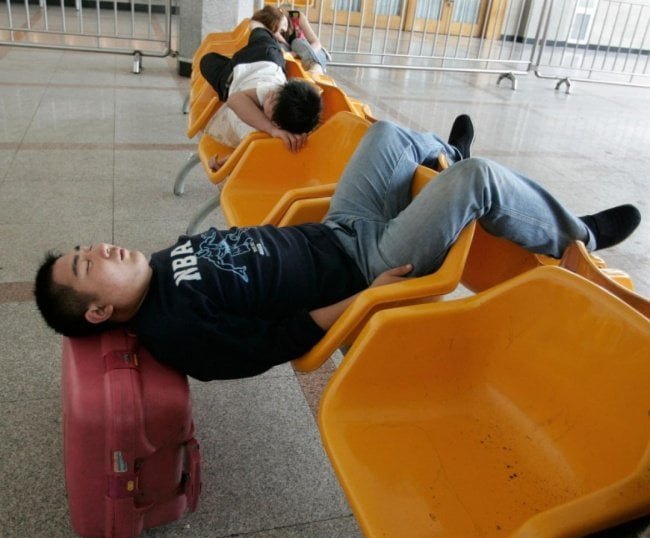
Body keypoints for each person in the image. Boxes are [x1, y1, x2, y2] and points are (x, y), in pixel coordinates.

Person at [34, 116, 641, 381]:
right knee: (476, 181)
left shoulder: (158, 268)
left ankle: (442, 151)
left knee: (384, 135)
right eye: (89, 265)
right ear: (97, 311)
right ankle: (578, 236)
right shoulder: (179, 332)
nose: (105, 248)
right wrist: (364, 298)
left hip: (338, 227)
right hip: (369, 263)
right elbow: (286, 338)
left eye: (90, 246)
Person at [199, 6, 322, 168]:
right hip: (266, 57)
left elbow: (235, 101)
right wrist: (272, 129)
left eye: (270, 100)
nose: (270, 94)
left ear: (277, 122)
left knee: (207, 60)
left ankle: (270, 35)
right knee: (258, 29)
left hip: (230, 78)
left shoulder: (255, 127)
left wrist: (271, 130)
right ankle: (275, 28)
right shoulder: (276, 92)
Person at [275, 8, 330, 74]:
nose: (284, 28)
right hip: (290, 52)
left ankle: (316, 66)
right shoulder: (271, 23)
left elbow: (316, 42)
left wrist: (300, 54)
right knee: (280, 47)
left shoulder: (296, 15)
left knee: (296, 42)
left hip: (307, 49)